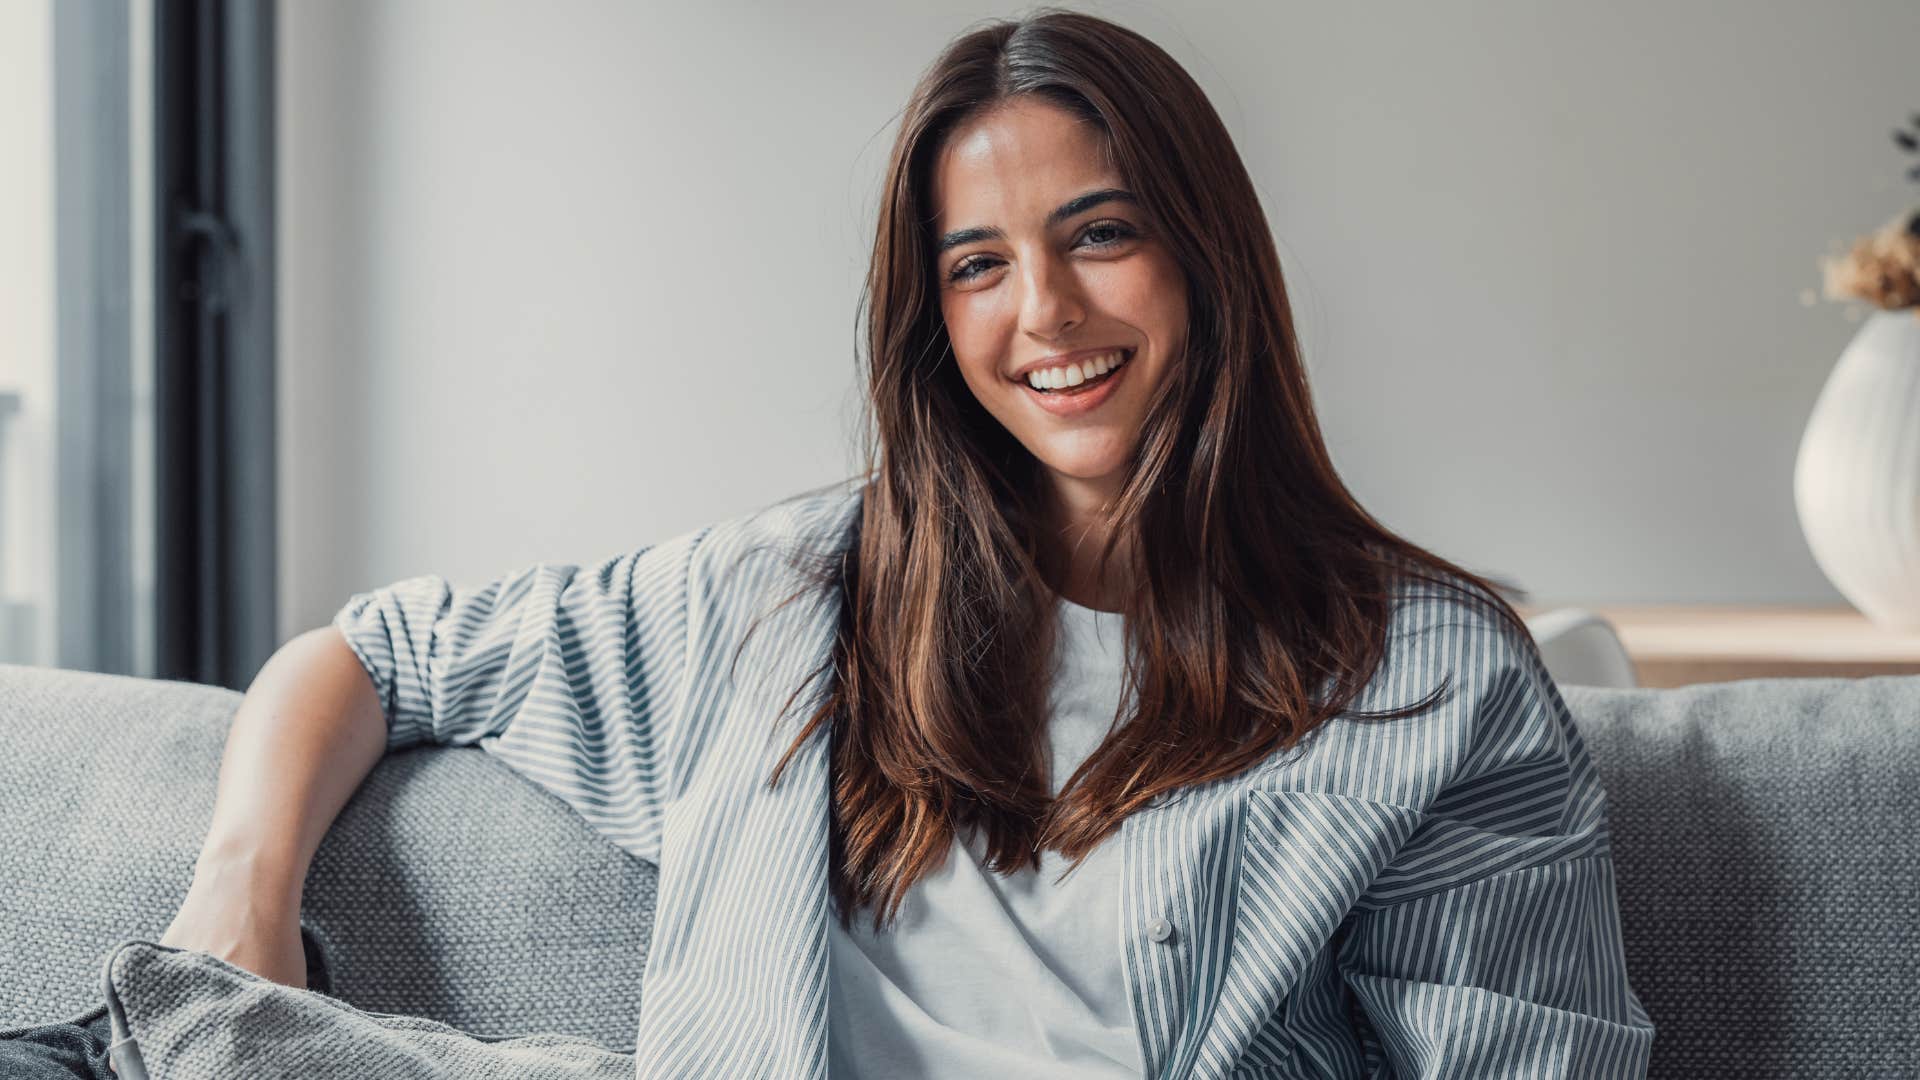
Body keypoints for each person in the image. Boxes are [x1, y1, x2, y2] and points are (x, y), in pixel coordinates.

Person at [4, 7, 1655, 1077]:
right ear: (931, 316)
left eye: (1102, 234)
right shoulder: (788, 599)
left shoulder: (1430, 681)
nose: (1050, 314)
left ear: (1207, 254)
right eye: (979, 265)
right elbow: (376, 653)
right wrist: (242, 888)